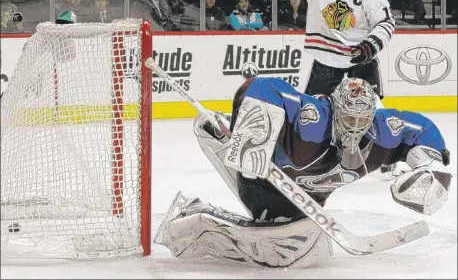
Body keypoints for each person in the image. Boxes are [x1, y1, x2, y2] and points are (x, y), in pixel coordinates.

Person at [154, 77, 451, 268]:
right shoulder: (315, 117)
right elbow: (261, 87)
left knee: (299, 245)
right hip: (261, 180)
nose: (355, 126)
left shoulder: (383, 132)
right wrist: (254, 134)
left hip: (306, 200)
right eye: (348, 116)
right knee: (282, 246)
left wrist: (430, 165)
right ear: (335, 108)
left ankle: (219, 142)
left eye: (363, 119)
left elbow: (422, 128)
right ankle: (194, 216)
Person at [272, 0, 395, 103]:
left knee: (373, 116)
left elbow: (386, 22)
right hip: (325, 61)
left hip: (361, 62)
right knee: (312, 114)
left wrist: (371, 45)